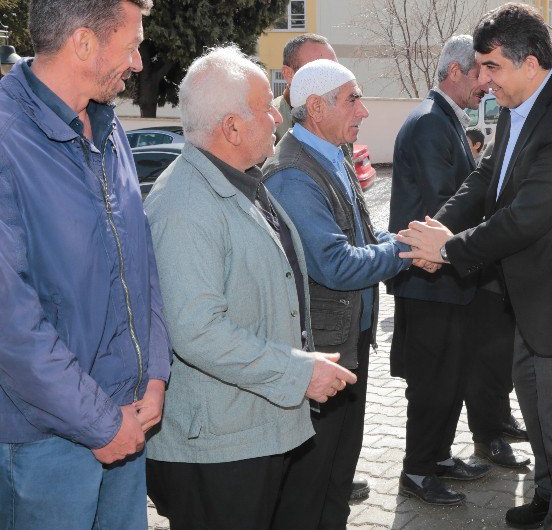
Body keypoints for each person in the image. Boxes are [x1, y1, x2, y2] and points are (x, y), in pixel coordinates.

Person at [397, 2, 552, 529]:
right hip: (533, 299)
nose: (482, 80)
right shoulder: (519, 106)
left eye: (491, 67)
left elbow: (526, 217)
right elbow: (485, 181)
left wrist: (450, 250)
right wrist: (435, 228)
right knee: (543, 416)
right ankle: (548, 502)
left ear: (530, 63)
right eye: (479, 67)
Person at [144, 46, 357, 530]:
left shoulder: (242, 180)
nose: (277, 114)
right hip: (218, 447)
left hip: (251, 431)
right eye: (265, 105)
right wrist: (296, 371)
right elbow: (196, 331)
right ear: (231, 128)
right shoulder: (185, 207)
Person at [0, 0, 170, 529]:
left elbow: (138, 263)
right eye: (133, 45)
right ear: (83, 42)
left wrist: (155, 373)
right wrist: (99, 422)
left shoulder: (108, 126)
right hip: (44, 440)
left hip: (127, 418)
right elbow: (11, 323)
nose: (139, 63)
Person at [261, 59, 411, 527]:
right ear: (316, 108)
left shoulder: (332, 155)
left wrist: (404, 239)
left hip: (346, 343)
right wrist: (407, 251)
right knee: (313, 482)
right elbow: (337, 264)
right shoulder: (292, 174)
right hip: (321, 352)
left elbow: (362, 239)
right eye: (353, 98)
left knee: (338, 473)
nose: (363, 110)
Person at [389, 34, 530, 508]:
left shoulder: (445, 118)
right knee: (431, 381)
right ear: (454, 72)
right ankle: (416, 470)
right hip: (428, 280)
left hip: (446, 277)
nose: (486, 85)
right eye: (479, 73)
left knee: (450, 376)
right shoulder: (430, 123)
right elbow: (440, 206)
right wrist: (494, 230)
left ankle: (439, 457)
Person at [273, 33, 338, 141]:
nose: (330, 78)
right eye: (318, 70)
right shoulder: (269, 123)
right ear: (289, 74)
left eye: (335, 69)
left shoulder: (338, 117)